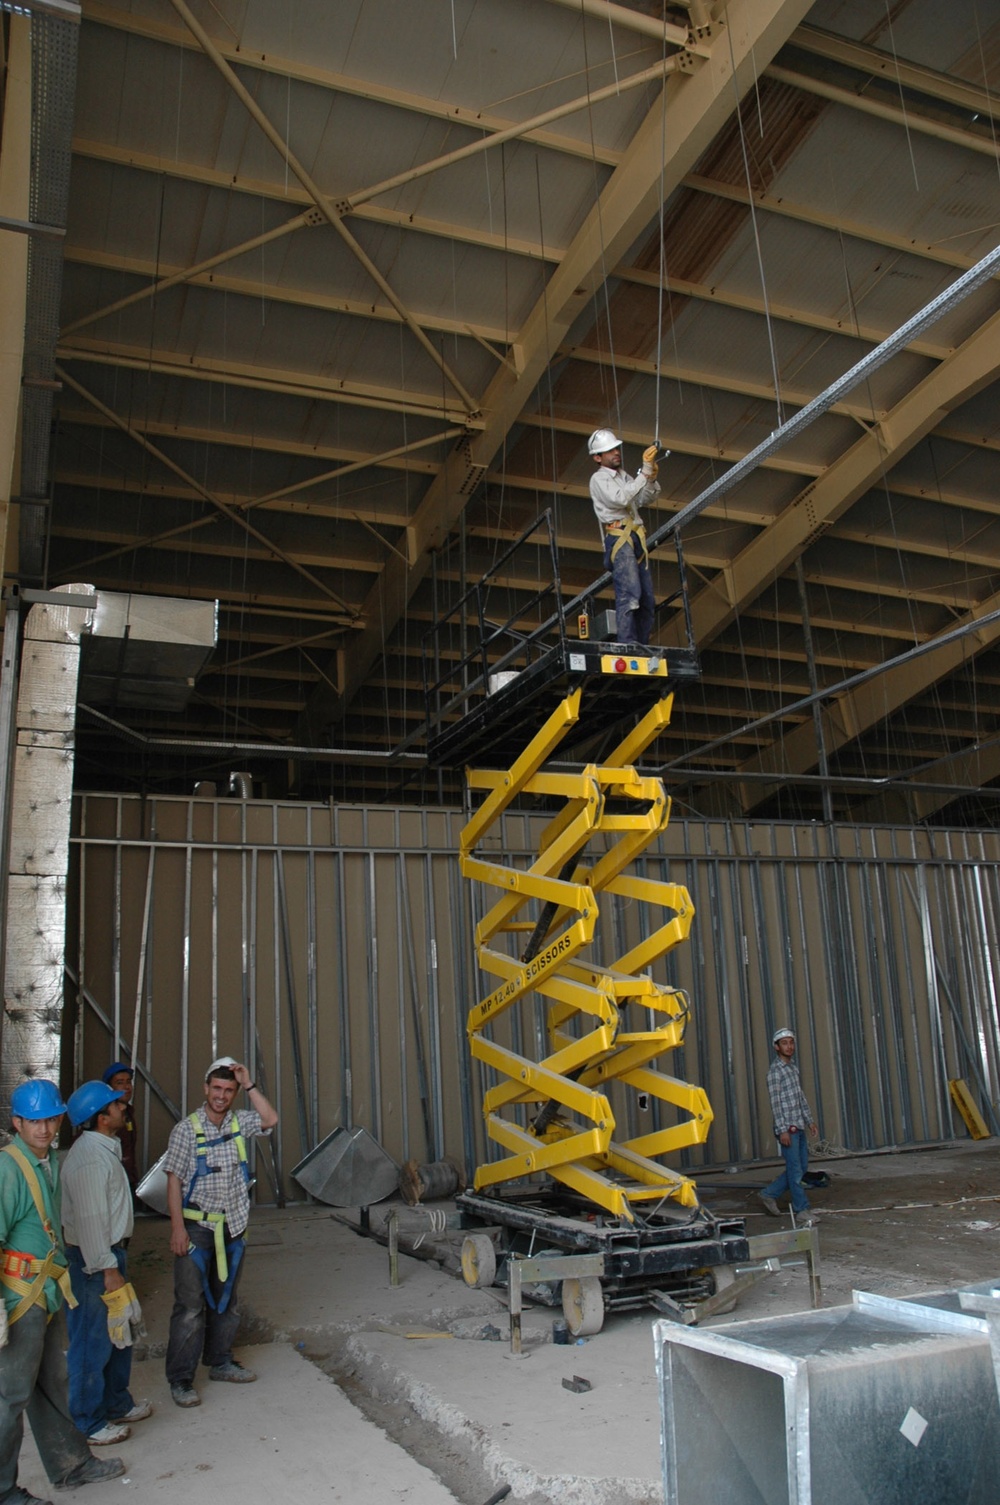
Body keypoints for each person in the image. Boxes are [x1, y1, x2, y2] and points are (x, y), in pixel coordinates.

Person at [0, 1079, 125, 1504]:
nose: (44, 1128)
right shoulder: (8, 1169)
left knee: (52, 1382)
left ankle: (71, 1465)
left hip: (46, 1292)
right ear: (17, 1123)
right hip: (19, 1298)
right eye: (34, 1121)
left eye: (51, 1119)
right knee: (10, 1396)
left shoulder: (48, 1160)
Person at [163, 1057, 278, 1408]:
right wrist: (178, 1229)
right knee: (190, 1307)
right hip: (198, 1229)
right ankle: (181, 1379)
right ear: (205, 1088)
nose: (221, 1095)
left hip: (233, 1226)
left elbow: (270, 1120)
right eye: (217, 1088)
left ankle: (220, 1361)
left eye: (228, 1090)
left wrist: (249, 1084)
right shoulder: (187, 1129)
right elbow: (174, 1180)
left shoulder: (241, 1122)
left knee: (226, 1300)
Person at [61, 1081, 151, 1448]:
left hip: (111, 1254)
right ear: (102, 1118)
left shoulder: (102, 1148)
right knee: (92, 1340)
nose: (122, 1107)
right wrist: (108, 1268)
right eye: (115, 1105)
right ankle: (88, 1421)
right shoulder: (89, 1160)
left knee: (119, 1333)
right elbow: (91, 1219)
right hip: (95, 1261)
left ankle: (117, 1403)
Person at [587, 428, 663, 647]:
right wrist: (644, 473)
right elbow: (621, 499)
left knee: (647, 600)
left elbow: (642, 498)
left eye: (615, 448)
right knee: (630, 593)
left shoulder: (623, 476)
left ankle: (641, 644)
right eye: (609, 451)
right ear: (597, 457)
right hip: (619, 539)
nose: (615, 453)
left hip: (634, 537)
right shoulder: (599, 479)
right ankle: (628, 644)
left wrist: (650, 479)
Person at [759, 1027, 819, 1226]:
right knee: (795, 1171)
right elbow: (775, 1103)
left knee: (800, 1168)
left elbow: (799, 1096)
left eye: (791, 1042)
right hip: (788, 1129)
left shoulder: (793, 1068)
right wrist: (782, 1129)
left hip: (798, 1125)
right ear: (776, 1047)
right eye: (784, 1043)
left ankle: (769, 1194)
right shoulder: (775, 1073)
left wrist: (809, 1120)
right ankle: (802, 1210)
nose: (789, 1046)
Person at [100, 1066, 137, 1195]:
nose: (127, 1087)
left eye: (128, 1082)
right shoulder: (105, 1116)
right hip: (112, 1183)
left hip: (128, 1180)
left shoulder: (129, 1113)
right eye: (120, 1083)